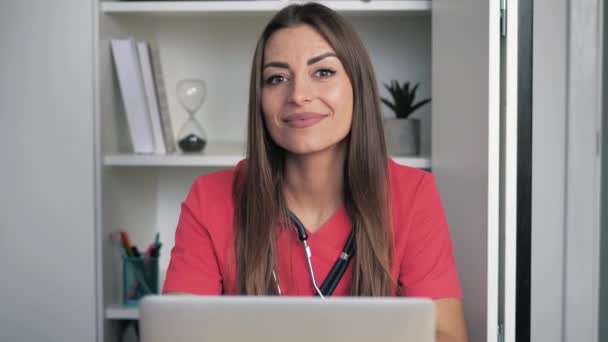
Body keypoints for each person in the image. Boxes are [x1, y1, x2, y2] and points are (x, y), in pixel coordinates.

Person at [163, 3, 467, 342]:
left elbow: (446, 335)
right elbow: (177, 333)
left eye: (323, 72)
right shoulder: (210, 198)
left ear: (358, 85)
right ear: (260, 100)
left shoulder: (413, 194)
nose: (299, 95)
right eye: (277, 78)